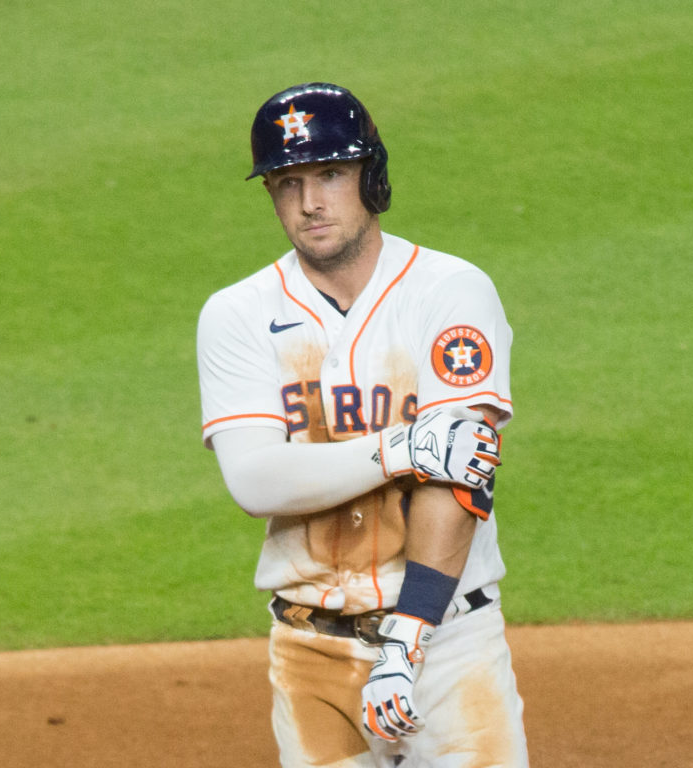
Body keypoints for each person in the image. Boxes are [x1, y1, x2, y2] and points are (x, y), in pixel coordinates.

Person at [196, 82, 529, 767]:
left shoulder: (449, 292)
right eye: (287, 182)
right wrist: (403, 446)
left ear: (370, 178)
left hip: (447, 646)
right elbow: (256, 480)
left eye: (330, 174)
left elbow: (458, 479)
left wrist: (407, 641)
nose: (309, 201)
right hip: (309, 652)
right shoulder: (236, 315)